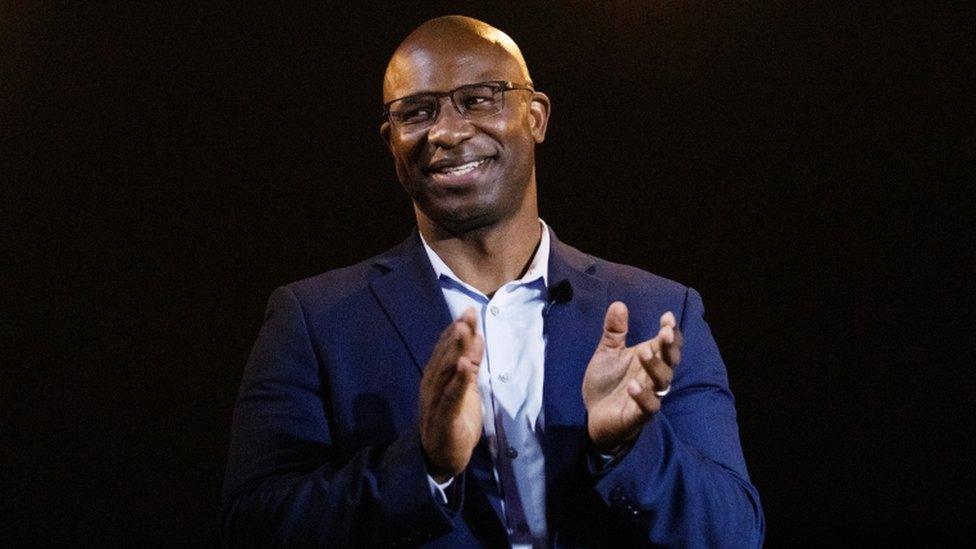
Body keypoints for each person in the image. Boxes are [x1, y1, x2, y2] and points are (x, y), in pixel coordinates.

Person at [221, 15, 764, 548]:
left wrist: (627, 448)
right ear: (392, 142)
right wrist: (424, 467)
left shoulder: (661, 311)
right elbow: (252, 527)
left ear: (536, 117)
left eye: (479, 99)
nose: (448, 131)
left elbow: (735, 533)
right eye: (418, 111)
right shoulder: (313, 319)